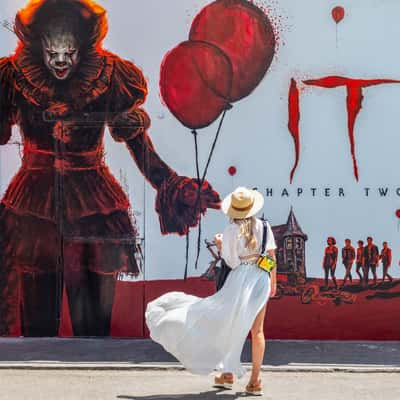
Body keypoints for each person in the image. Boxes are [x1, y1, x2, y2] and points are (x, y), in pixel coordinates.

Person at [0, 0, 219, 337]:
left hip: (94, 203)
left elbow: (138, 146)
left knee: (93, 326)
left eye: (68, 53)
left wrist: (170, 183)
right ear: (39, 46)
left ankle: (92, 380)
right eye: (52, 54)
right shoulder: (15, 77)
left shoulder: (110, 76)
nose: (60, 62)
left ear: (81, 46)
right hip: (33, 204)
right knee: (37, 325)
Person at [145, 187, 277, 396]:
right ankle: (254, 382)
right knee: (257, 331)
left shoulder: (231, 230)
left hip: (240, 278)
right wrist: (273, 282)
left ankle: (228, 375)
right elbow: (271, 256)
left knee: (229, 325)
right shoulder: (265, 227)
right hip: (261, 278)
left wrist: (220, 244)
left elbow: (232, 262)